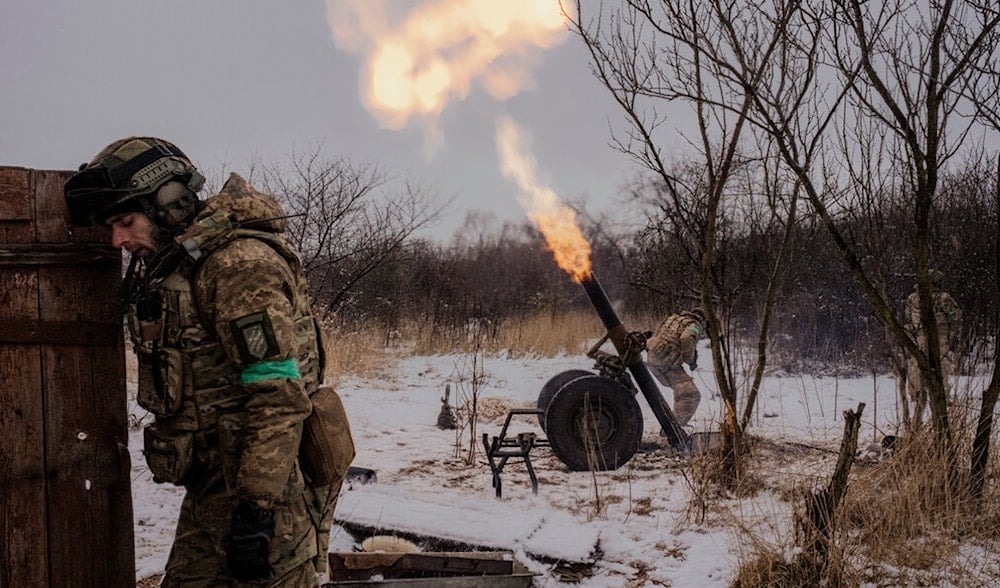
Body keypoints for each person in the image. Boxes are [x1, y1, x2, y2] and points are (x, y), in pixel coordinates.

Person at [63, 137, 352, 587]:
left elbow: (278, 394)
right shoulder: (187, 263)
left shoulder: (238, 266)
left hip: (268, 499)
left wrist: (255, 514)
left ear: (169, 203)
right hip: (214, 492)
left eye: (125, 222)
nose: (118, 240)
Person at [903, 269, 962, 423]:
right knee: (941, 365)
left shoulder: (913, 298)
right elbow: (955, 315)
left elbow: (908, 317)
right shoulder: (944, 298)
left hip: (918, 337)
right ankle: (942, 395)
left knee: (916, 364)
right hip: (939, 337)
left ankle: (916, 393)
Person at [645, 307, 707, 427]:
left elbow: (656, 334)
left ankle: (672, 423)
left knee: (680, 391)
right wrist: (691, 360)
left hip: (653, 360)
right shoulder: (694, 324)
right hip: (667, 364)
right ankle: (674, 428)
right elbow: (686, 338)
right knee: (690, 395)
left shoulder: (673, 319)